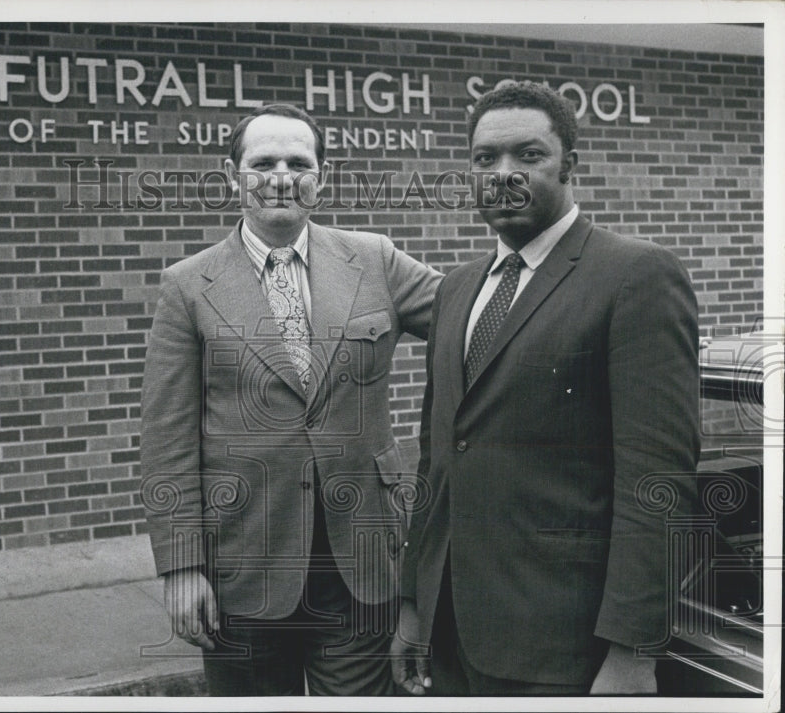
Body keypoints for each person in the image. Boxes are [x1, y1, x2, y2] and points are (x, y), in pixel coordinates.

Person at [392, 81, 700, 696]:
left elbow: (656, 480)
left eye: (527, 156)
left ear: (570, 165)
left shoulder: (635, 275)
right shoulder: (456, 289)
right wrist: (413, 606)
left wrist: (633, 653)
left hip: (566, 647)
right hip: (455, 634)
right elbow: (439, 463)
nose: (502, 174)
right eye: (485, 159)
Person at [140, 104, 442, 696]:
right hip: (243, 566)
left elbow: (475, 320)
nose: (281, 175)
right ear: (234, 177)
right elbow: (167, 437)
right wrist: (181, 566)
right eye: (263, 162)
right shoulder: (188, 286)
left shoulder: (375, 260)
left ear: (320, 177)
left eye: (298, 162)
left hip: (360, 565)